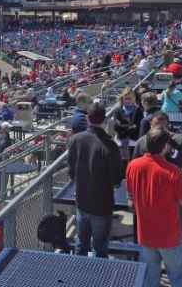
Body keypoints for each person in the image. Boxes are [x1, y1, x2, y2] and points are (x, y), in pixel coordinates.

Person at [126, 128, 182, 287]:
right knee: (180, 277)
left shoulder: (132, 166)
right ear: (165, 147)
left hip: (145, 235)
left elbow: (131, 197)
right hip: (170, 237)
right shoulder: (173, 171)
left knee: (149, 278)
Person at [67, 102, 122, 258]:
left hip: (82, 200)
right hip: (102, 204)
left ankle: (79, 277)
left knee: (81, 244)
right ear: (104, 120)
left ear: (87, 118)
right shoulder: (110, 145)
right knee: (100, 247)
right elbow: (116, 179)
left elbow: (71, 172)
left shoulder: (75, 140)